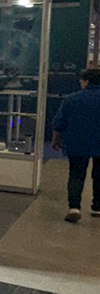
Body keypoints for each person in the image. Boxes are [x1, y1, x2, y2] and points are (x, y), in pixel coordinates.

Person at [52, 67, 100, 222]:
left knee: (76, 174)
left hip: (77, 142)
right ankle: (97, 206)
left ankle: (74, 208)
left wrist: (56, 139)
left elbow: (59, 121)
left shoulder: (72, 99)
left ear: (86, 81)